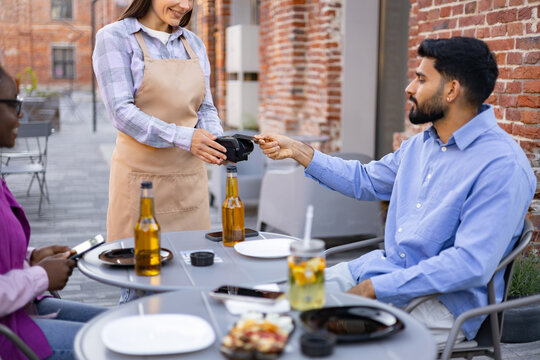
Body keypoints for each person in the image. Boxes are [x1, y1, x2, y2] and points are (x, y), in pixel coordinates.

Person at [256, 37, 536, 346]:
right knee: (276, 303)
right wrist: (297, 150)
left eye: (421, 78)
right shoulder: (420, 146)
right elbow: (364, 179)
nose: (409, 88)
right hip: (378, 272)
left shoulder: (501, 166)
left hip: (439, 304)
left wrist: (375, 289)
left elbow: (468, 264)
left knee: (312, 338)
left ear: (451, 90)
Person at [93, 0, 227, 244]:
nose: (185, 5)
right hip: (140, 186)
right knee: (140, 271)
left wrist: (216, 140)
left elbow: (205, 106)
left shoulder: (194, 43)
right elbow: (121, 112)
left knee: (193, 269)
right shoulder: (115, 37)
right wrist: (187, 138)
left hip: (190, 186)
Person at [0, 66, 105, 359]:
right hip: (9, 334)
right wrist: (40, 277)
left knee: (120, 323)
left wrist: (30, 257)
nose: (20, 115)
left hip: (22, 310)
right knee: (113, 341)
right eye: (13, 104)